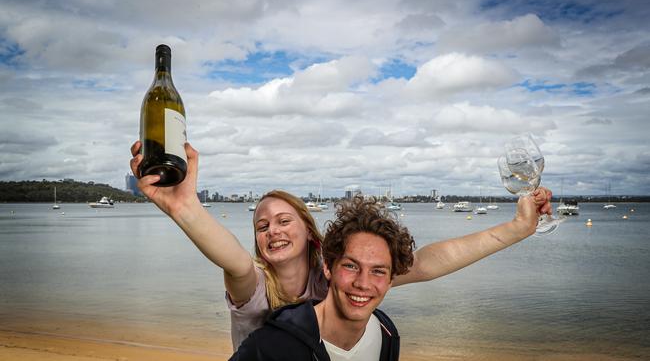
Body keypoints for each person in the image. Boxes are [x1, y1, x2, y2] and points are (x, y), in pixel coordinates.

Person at [129, 141, 552, 349]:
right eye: (262, 226)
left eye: (283, 220)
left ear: (310, 233)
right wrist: (186, 209)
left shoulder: (337, 276)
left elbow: (426, 262)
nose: (272, 230)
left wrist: (515, 229)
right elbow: (233, 260)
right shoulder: (253, 285)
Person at [230, 196, 414, 360]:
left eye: (378, 271)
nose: (363, 283)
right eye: (350, 266)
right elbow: (234, 262)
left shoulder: (386, 332)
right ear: (328, 267)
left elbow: (425, 266)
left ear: (391, 279)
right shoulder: (271, 345)